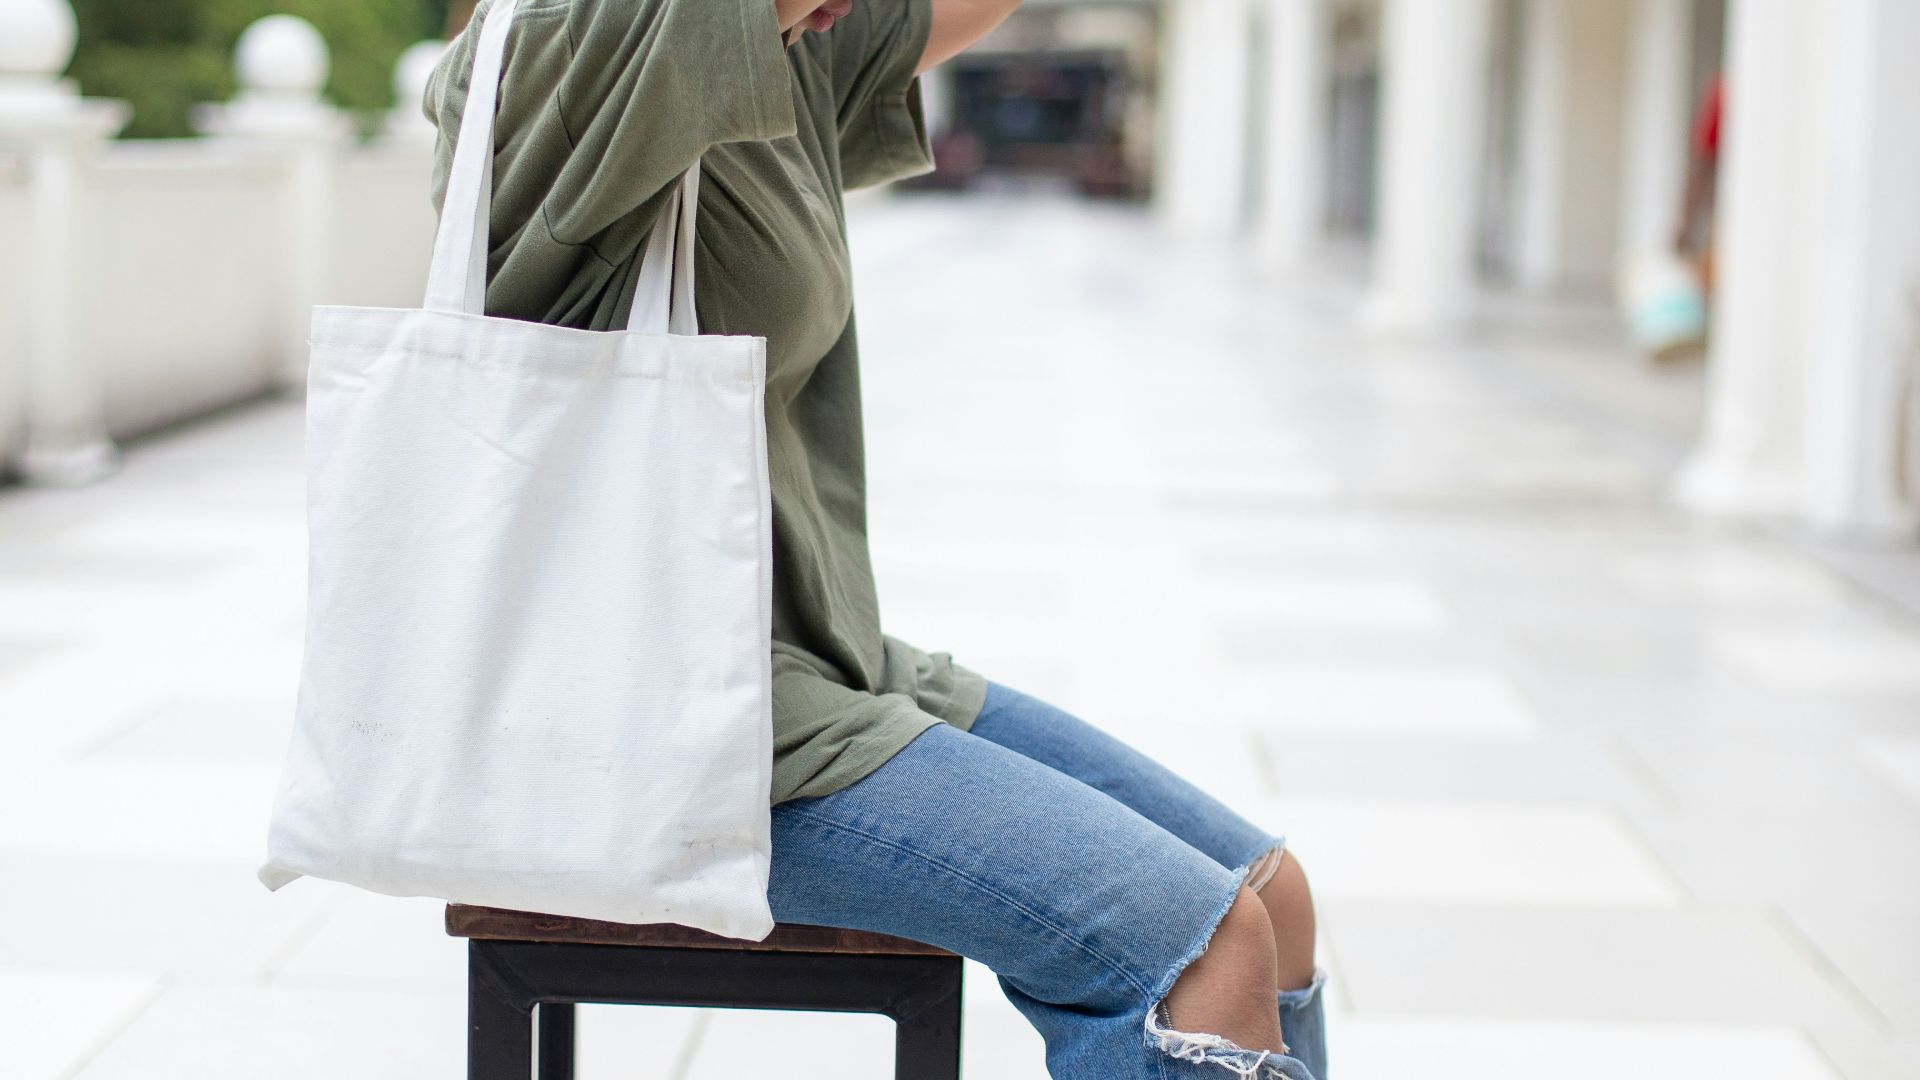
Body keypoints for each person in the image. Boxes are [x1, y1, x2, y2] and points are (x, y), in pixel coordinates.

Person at [423, 2, 1326, 1077]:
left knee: (1274, 900)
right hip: (656, 725)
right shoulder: (585, 45)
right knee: (1199, 955)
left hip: (810, 668)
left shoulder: (788, 47)